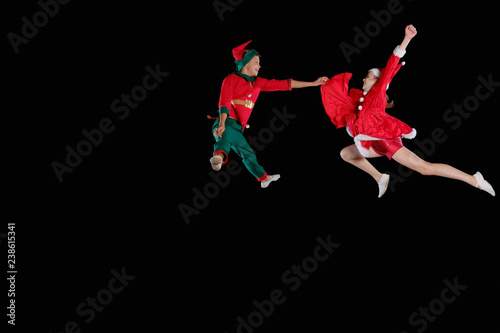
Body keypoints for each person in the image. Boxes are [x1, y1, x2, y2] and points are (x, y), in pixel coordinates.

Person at [321, 25, 495, 197]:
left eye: (367, 76)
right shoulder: (362, 97)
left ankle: (474, 180)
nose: (363, 78)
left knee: (424, 168)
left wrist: (406, 39)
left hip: (386, 140)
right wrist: (324, 84)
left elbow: (389, 68)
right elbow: (342, 102)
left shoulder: (378, 90)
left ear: (376, 80)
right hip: (373, 142)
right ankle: (380, 177)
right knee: (346, 154)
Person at [210, 40, 328, 188]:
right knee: (224, 138)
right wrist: (221, 124)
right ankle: (218, 157)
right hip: (226, 121)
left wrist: (312, 83)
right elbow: (224, 102)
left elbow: (284, 84)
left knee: (248, 154)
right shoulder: (231, 78)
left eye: (259, 63)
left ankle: (263, 178)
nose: (259, 66)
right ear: (246, 63)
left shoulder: (258, 83)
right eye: (256, 62)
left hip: (237, 128)